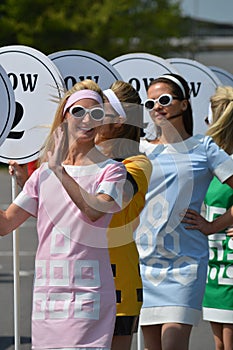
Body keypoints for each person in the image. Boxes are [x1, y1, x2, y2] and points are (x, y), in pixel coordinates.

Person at [2, 79, 127, 350]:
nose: (87, 120)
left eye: (96, 113)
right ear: (64, 117)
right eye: (78, 112)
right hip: (48, 295)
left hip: (88, 293)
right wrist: (52, 170)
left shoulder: (112, 171)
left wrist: (59, 170)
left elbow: (94, 209)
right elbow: (5, 224)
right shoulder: (43, 175)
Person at [134, 73, 233, 350]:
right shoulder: (139, 149)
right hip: (143, 262)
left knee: (174, 342)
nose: (157, 107)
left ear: (184, 105)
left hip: (186, 264)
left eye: (164, 100)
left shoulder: (204, 148)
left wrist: (214, 225)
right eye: (150, 103)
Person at [95, 81, 152, 350]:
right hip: (80, 274)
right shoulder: (78, 160)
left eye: (98, 110)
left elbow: (110, 197)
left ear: (118, 121)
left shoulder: (138, 164)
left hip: (118, 277)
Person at [184, 85, 233, 350]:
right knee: (220, 343)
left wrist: (213, 225)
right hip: (215, 264)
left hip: (229, 263)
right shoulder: (212, 160)